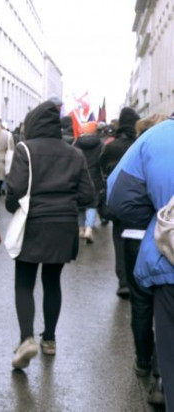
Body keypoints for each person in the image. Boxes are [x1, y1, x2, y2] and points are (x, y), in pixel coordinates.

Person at [6, 101, 95, 369]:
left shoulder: (25, 149)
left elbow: (15, 189)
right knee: (52, 281)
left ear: (33, 123)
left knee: (24, 282)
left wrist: (12, 207)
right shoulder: (74, 153)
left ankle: (27, 339)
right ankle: (50, 339)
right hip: (64, 225)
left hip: (33, 223)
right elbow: (88, 195)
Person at [107, 115, 174, 408]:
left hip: (169, 259)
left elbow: (119, 197)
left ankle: (154, 371)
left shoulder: (154, 138)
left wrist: (156, 221)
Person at [100, 107, 141, 298]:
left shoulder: (111, 146)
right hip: (138, 200)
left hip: (116, 199)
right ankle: (136, 279)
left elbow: (102, 168)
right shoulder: (139, 144)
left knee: (119, 239)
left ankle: (123, 281)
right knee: (138, 239)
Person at [73, 121, 104, 243]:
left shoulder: (76, 143)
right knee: (93, 203)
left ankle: (80, 228)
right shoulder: (100, 143)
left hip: (80, 176)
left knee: (80, 203)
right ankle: (89, 228)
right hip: (95, 176)